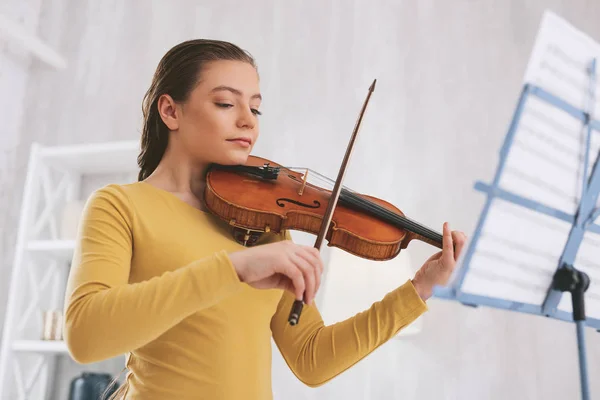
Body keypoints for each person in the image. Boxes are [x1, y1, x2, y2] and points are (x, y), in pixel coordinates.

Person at [63, 39, 467, 400]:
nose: (248, 120)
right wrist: (233, 268)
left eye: (255, 107)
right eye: (226, 103)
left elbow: (312, 357)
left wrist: (419, 288)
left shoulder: (264, 222)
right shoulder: (120, 206)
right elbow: (86, 336)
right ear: (170, 110)